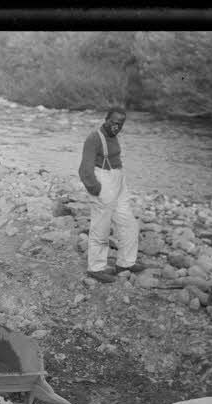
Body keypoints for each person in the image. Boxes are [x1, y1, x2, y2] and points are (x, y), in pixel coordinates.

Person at [79, 108, 145, 283]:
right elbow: (85, 169)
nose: (116, 127)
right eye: (114, 123)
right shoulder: (94, 138)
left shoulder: (113, 136)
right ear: (106, 119)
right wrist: (96, 189)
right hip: (104, 182)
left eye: (120, 124)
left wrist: (119, 183)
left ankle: (125, 263)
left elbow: (114, 158)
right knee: (101, 227)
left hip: (118, 181)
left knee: (128, 222)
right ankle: (96, 268)